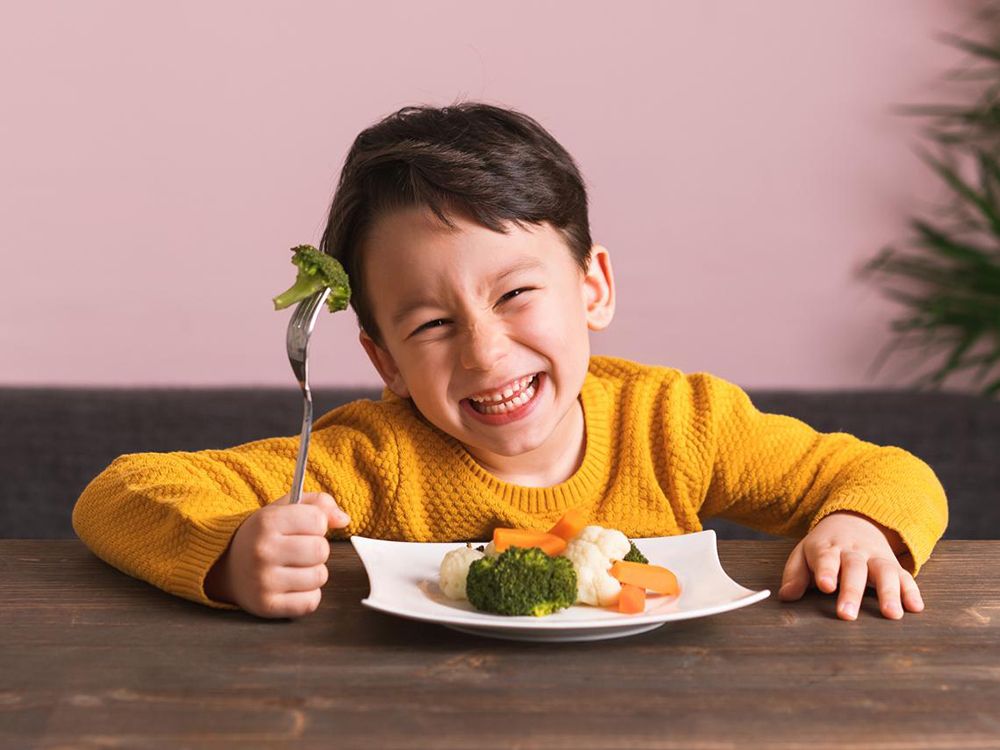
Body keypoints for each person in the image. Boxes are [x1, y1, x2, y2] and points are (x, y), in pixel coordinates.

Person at [73, 101, 948, 622]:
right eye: (429, 325)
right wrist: (230, 555)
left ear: (593, 286)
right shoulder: (367, 462)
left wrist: (864, 526)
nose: (486, 352)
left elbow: (885, 471)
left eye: (516, 295)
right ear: (382, 358)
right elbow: (117, 495)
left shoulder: (679, 424)